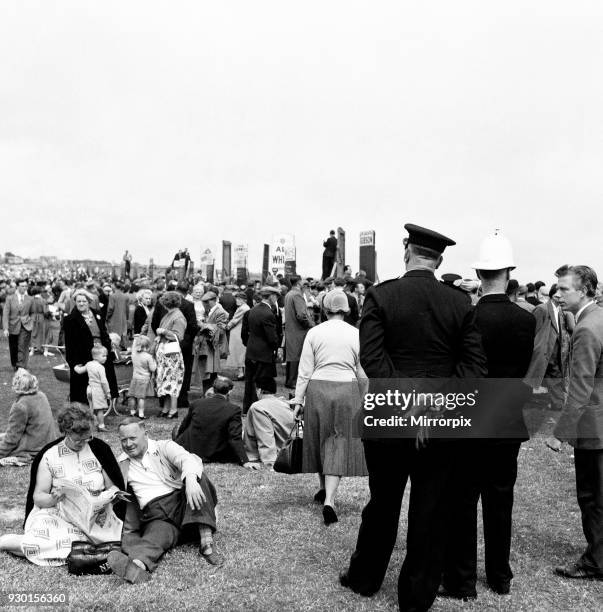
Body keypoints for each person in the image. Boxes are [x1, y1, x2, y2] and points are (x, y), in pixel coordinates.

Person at [340, 224, 487, 611]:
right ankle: (417, 593)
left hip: (390, 413)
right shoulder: (458, 302)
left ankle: (365, 578)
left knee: (383, 501)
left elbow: (372, 358)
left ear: (407, 251)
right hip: (439, 420)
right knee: (431, 507)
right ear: (439, 260)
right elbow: (473, 367)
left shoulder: (382, 294)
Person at [441, 231, 535, 600]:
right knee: (500, 501)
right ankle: (500, 575)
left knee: (463, 501)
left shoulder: (468, 317)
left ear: (479, 273)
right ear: (509, 272)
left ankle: (462, 581)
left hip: (470, 419)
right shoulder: (526, 320)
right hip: (507, 421)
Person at [0, 404, 124, 565]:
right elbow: (38, 497)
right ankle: (6, 542)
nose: (83, 443)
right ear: (66, 432)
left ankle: (79, 550)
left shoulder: (99, 449)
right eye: (77, 440)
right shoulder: (50, 455)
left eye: (87, 438)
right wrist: (53, 498)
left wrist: (108, 497)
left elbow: (113, 487)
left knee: (111, 541)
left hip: (95, 516)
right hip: (59, 515)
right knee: (42, 543)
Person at [108, 419, 221, 583]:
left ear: (145, 434)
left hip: (185, 505)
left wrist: (190, 479)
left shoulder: (163, 447)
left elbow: (187, 459)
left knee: (199, 477)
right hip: (156, 516)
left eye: (132, 438)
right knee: (156, 537)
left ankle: (206, 542)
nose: (128, 444)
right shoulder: (121, 464)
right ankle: (137, 567)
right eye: (123, 440)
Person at [291, 291, 368, 525]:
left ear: (324, 309)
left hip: (318, 388)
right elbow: (362, 372)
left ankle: (323, 488)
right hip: (347, 389)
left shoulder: (314, 333)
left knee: (319, 437)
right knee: (338, 440)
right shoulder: (357, 334)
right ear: (346, 310)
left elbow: (304, 371)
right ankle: (330, 500)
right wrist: (365, 399)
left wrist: (297, 400)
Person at [547, 266, 603, 581]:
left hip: (594, 427)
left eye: (564, 289)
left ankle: (596, 561)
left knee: (592, 496)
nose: (558, 294)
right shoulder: (598, 318)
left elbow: (581, 388)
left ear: (583, 290)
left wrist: (560, 434)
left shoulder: (586, 327)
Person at [176, 377, 257, 468]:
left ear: (213, 389)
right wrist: (245, 461)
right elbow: (235, 437)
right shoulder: (234, 409)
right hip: (215, 453)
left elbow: (184, 426)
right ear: (229, 392)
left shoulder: (196, 403)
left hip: (191, 449)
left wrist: (176, 444)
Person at [63, 289, 118, 406]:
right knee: (84, 385)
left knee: (104, 378)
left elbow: (104, 333)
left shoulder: (97, 314)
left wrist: (109, 349)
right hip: (83, 355)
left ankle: (102, 403)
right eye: (78, 301)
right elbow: (69, 344)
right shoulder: (70, 320)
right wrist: (73, 363)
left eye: (84, 301)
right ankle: (84, 407)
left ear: (89, 302)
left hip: (101, 352)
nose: (81, 304)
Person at [524, 283, 574, 410]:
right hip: (546, 350)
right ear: (554, 295)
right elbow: (534, 331)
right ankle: (558, 403)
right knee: (553, 376)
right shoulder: (542, 309)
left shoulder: (560, 310)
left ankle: (557, 402)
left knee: (553, 376)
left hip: (556, 350)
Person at [0, 369, 58, 463]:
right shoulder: (41, 395)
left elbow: (12, 439)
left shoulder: (20, 406)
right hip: (48, 443)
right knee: (2, 436)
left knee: (5, 441)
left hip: (35, 447)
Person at [242, 286, 281, 413]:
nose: (276, 299)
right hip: (263, 353)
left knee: (249, 383)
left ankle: (247, 408)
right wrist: (277, 348)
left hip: (251, 350)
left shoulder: (253, 310)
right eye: (275, 296)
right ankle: (259, 409)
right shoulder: (268, 313)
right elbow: (271, 337)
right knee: (262, 383)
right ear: (271, 296)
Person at [244, 381, 296, 467]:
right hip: (297, 446)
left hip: (287, 451)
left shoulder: (258, 407)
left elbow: (265, 434)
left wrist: (270, 461)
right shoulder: (283, 402)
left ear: (259, 390)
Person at [154, 291, 186, 419]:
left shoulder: (178, 317)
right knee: (165, 381)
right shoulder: (170, 314)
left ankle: (173, 410)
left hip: (172, 355)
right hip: (165, 354)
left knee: (172, 381)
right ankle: (166, 408)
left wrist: (163, 331)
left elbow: (178, 336)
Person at [193, 291, 229, 394]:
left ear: (214, 300)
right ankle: (208, 394)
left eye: (206, 301)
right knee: (206, 373)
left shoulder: (220, 311)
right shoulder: (209, 310)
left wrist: (204, 326)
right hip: (206, 346)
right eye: (203, 301)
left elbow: (221, 330)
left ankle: (210, 395)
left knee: (210, 373)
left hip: (212, 347)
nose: (204, 304)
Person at [284, 275, 314, 388]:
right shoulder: (297, 295)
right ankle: (293, 381)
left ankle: (289, 380)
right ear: (299, 282)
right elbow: (301, 315)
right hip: (298, 330)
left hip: (291, 329)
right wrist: (311, 325)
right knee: (296, 356)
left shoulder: (289, 294)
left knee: (291, 356)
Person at [74, 346, 112, 431]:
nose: (105, 358)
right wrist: (108, 392)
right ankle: (101, 426)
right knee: (100, 410)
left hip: (89, 389)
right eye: (104, 356)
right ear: (96, 356)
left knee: (91, 408)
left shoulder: (89, 364)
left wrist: (75, 366)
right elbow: (104, 382)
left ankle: (89, 424)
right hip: (98, 390)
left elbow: (79, 371)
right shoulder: (101, 367)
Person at [2, 278, 34, 369]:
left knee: (22, 345)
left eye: (26, 286)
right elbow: (5, 314)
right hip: (13, 326)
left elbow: (32, 313)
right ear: (17, 287)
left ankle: (21, 365)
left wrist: (30, 322)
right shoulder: (10, 298)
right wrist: (5, 328)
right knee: (13, 347)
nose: (25, 288)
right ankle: (15, 364)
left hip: (25, 326)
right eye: (22, 286)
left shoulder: (30, 299)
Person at [127, 336, 156, 419]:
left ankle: (132, 412)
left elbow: (133, 348)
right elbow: (153, 369)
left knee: (132, 396)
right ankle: (141, 414)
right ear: (147, 346)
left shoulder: (134, 355)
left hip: (134, 378)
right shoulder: (148, 357)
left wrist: (135, 339)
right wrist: (155, 362)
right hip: (144, 379)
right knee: (141, 397)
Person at [225, 292, 250, 380]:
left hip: (238, 333)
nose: (237, 301)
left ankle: (241, 374)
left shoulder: (243, 308)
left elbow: (235, 320)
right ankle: (242, 373)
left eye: (239, 299)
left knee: (238, 353)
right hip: (239, 332)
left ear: (244, 300)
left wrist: (227, 326)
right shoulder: (244, 307)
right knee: (241, 353)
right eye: (236, 299)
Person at [107, 281, 129, 349]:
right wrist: (127, 317)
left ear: (115, 286)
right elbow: (127, 309)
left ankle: (115, 348)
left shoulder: (112, 296)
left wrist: (107, 317)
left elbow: (110, 308)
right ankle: (123, 346)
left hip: (114, 318)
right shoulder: (125, 296)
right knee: (123, 333)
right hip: (123, 318)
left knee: (114, 335)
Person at [29, 286, 47, 355]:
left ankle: (32, 350)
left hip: (32, 316)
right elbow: (45, 311)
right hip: (41, 317)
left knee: (33, 333)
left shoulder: (30, 300)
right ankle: (40, 347)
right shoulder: (43, 300)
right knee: (41, 332)